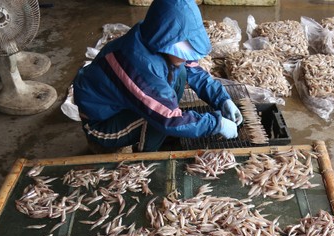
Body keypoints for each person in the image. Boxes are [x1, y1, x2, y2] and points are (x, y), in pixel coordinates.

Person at [71, 0, 242, 153]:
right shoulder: (138, 65)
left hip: (124, 103)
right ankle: (147, 157)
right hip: (102, 123)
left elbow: (195, 71)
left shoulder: (155, 37)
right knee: (157, 120)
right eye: (183, 49)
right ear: (167, 42)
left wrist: (222, 100)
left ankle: (153, 136)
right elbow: (168, 119)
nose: (187, 56)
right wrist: (216, 124)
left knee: (181, 71)